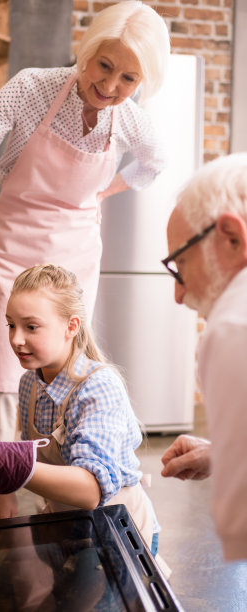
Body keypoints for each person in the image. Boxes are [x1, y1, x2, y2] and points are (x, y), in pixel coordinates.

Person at [0, 1, 170, 519]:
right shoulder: (33, 88)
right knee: (7, 370)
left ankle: (70, 484)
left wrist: (102, 194)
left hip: (76, 247)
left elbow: (155, 164)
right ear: (88, 48)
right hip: (15, 240)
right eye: (104, 65)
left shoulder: (133, 122)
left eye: (129, 77)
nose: (111, 84)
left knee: (68, 368)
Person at [0, 264, 161, 557]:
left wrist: (5, 466)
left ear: (70, 327)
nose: (16, 339)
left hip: (119, 535)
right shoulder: (29, 384)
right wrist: (3, 488)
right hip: (66, 525)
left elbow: (91, 490)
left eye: (31, 327)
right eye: (11, 324)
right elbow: (34, 450)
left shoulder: (97, 388)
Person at [159, 152, 247, 561]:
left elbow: (241, 529)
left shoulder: (233, 327)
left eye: (181, 265)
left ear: (232, 236)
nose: (179, 294)